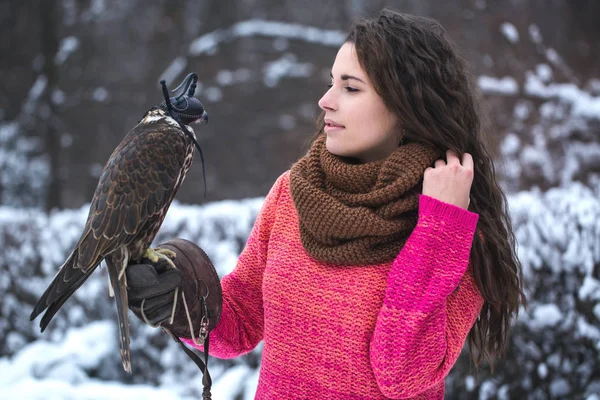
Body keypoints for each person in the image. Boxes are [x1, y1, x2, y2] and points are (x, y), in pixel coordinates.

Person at [126, 9, 525, 399]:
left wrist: (437, 231)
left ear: (407, 107)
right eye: (331, 83)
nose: (325, 101)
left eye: (350, 88)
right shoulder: (293, 193)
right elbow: (243, 318)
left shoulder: (455, 231)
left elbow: (400, 373)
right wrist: (185, 302)